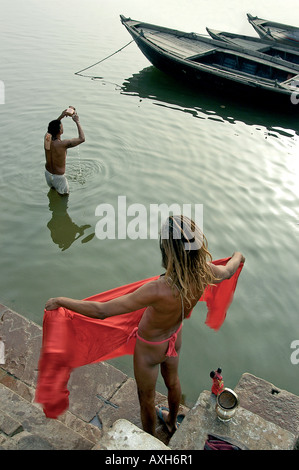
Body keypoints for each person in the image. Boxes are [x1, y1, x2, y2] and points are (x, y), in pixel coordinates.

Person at [45, 215, 245, 436]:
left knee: (146, 399)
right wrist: (238, 256)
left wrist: (61, 301)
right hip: (174, 337)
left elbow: (102, 311)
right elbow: (228, 271)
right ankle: (170, 422)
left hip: (151, 347)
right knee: (173, 382)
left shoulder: (156, 289)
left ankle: (149, 440)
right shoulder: (204, 273)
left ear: (167, 250)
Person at [44, 107, 85, 195]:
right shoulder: (63, 144)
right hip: (59, 178)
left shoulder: (46, 138)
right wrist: (77, 121)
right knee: (64, 198)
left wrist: (61, 116)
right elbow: (82, 138)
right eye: (61, 126)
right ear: (60, 131)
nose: (62, 127)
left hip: (47, 174)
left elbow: (51, 129)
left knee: (53, 191)